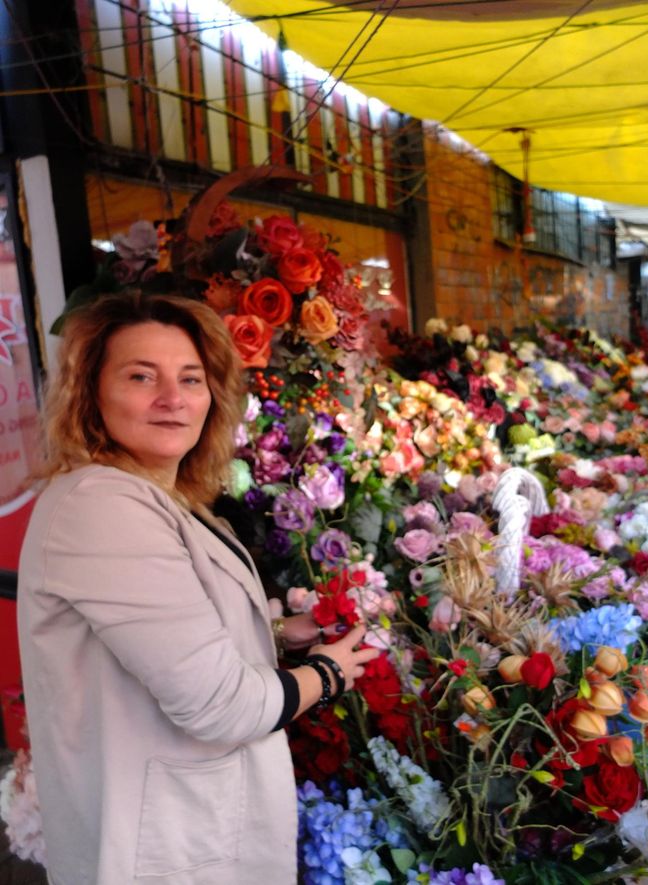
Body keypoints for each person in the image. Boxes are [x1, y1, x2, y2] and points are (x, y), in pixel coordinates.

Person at [18, 290, 379, 885]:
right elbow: (221, 706)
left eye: (190, 379)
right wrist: (328, 673)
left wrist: (278, 634)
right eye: (141, 377)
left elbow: (171, 634)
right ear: (90, 393)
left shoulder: (158, 496)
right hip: (164, 850)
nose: (172, 400)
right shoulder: (100, 505)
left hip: (187, 831)